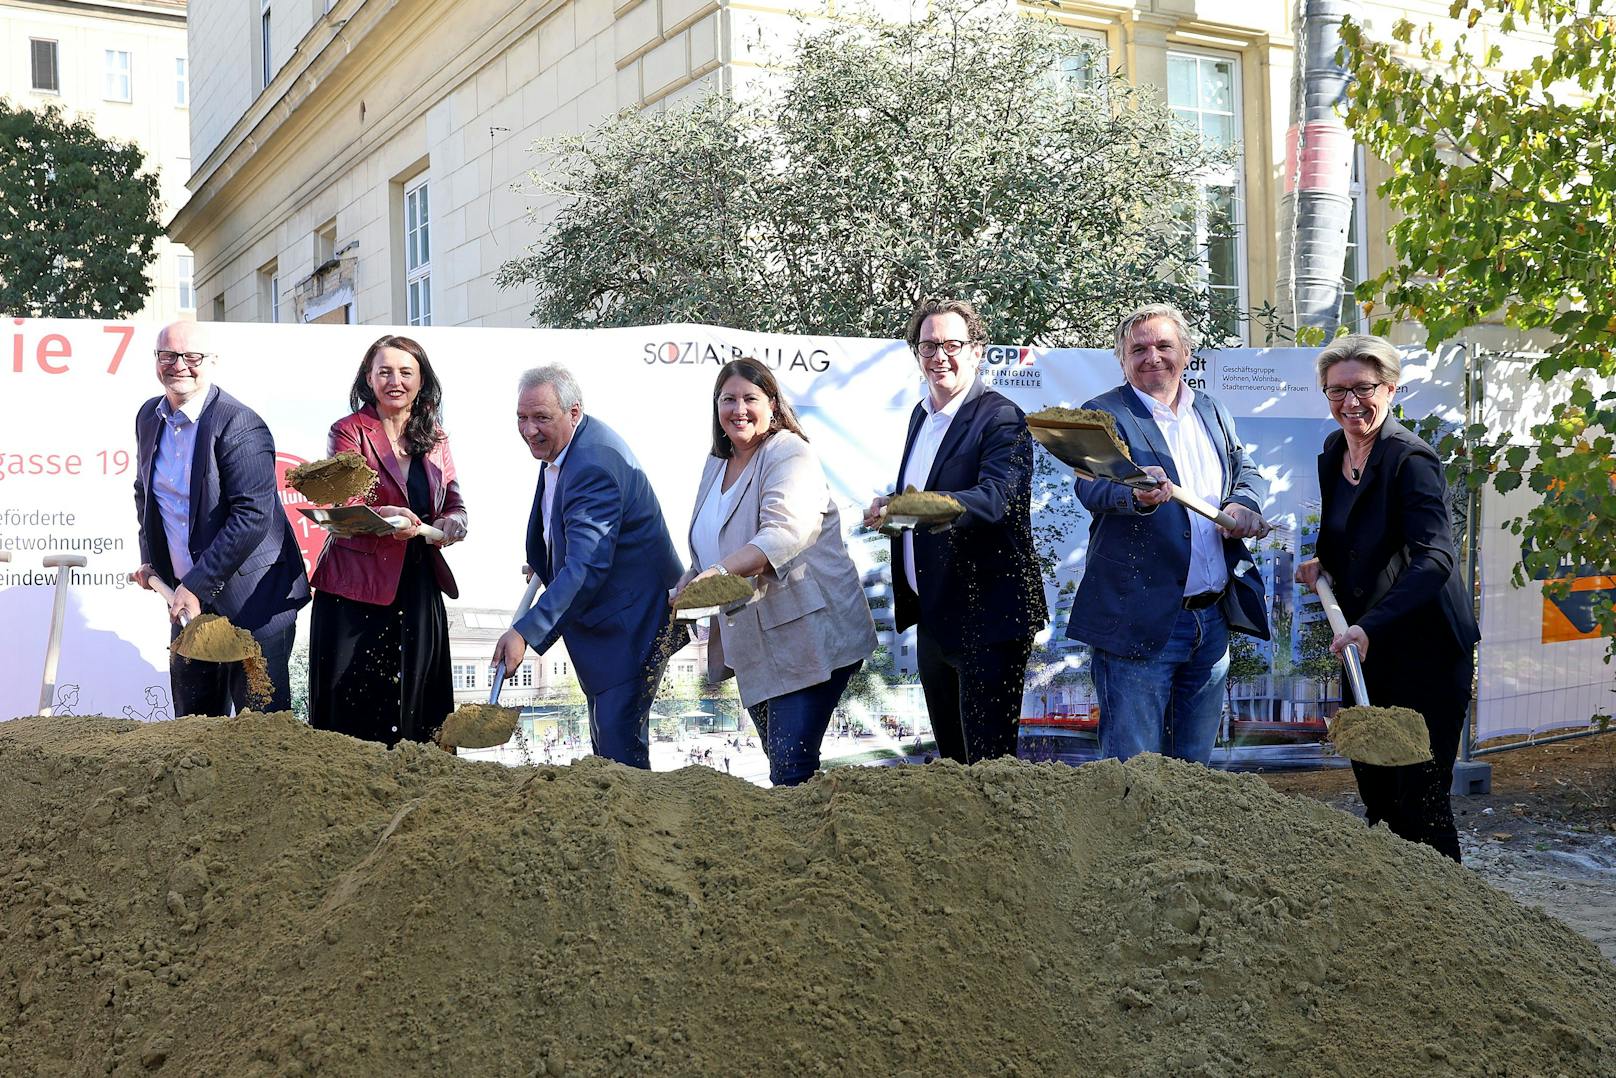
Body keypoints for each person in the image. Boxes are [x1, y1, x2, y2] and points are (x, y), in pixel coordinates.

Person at [1296, 334, 1480, 862]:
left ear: (1391, 389)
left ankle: (1449, 916)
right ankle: (1395, 920)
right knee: (1377, 793)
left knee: (1421, 797)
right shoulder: (1335, 452)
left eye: (1363, 388)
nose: (1350, 403)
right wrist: (1320, 560)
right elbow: (1344, 533)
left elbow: (1435, 558)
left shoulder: (1411, 460)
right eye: (1337, 392)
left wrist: (1370, 624)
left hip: (1425, 649)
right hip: (1365, 649)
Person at [1065, 303, 1270, 764]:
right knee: (1132, 771)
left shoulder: (1212, 411)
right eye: (1138, 349)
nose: (1151, 356)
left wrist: (1244, 503)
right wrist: (1133, 493)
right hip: (1138, 617)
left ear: (1187, 352)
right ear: (1122, 359)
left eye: (1163, 345)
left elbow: (1246, 470)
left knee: (1192, 772)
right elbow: (1090, 486)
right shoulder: (1102, 414)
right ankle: (1126, 840)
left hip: (1210, 621)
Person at [673, 359, 877, 786]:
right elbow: (711, 544)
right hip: (756, 647)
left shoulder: (789, 451)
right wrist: (689, 580)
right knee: (785, 767)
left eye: (750, 398)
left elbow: (786, 533)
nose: (738, 409)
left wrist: (717, 572)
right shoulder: (715, 465)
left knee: (791, 768)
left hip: (808, 635)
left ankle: (814, 851)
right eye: (728, 399)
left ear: (772, 405)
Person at [862, 298, 1047, 764]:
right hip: (934, 616)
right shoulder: (921, 416)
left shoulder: (1003, 417)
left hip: (989, 616)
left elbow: (995, 500)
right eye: (927, 346)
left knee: (989, 768)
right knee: (951, 766)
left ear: (977, 350)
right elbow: (925, 493)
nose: (939, 356)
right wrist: (892, 509)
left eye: (951, 344)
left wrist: (916, 507)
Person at [492, 365, 682, 769]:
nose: (529, 430)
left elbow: (588, 566)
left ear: (573, 412)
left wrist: (525, 633)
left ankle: (636, 830)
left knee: (618, 756)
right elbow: (578, 536)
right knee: (609, 748)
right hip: (613, 626)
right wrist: (548, 559)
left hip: (631, 628)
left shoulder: (592, 464)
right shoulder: (569, 449)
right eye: (521, 418)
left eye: (541, 417)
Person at [133, 319, 309, 716]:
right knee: (194, 726)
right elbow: (146, 493)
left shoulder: (239, 423)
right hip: (191, 603)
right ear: (156, 360)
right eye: (168, 355)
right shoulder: (149, 417)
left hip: (255, 603)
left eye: (191, 356)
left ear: (210, 361)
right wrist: (154, 562)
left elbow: (252, 515)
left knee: (259, 733)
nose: (179, 364)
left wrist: (195, 584)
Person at [307, 335, 468, 746]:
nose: (395, 380)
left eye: (405, 372)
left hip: (418, 585)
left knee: (419, 705)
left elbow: (452, 499)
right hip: (355, 587)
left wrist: (454, 522)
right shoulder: (348, 431)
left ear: (421, 380)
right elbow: (346, 500)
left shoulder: (437, 437)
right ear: (369, 378)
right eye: (385, 372)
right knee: (354, 707)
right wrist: (386, 515)